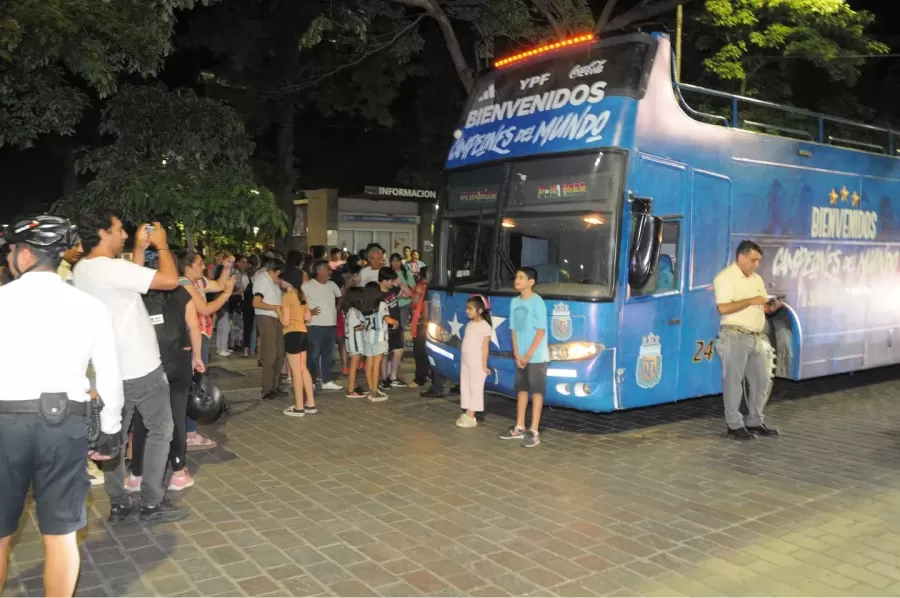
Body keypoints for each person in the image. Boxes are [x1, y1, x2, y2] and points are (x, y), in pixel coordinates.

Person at [0, 215, 124, 598]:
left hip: (5, 423)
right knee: (61, 536)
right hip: (64, 424)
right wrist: (111, 428)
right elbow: (109, 374)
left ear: (23, 255)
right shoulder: (89, 306)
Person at [74, 211, 187, 522]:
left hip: (110, 372)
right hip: (141, 368)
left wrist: (139, 249)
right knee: (161, 431)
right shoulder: (110, 268)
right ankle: (151, 502)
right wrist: (161, 247)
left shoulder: (83, 269)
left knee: (114, 437)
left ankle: (119, 502)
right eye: (119, 229)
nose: (124, 235)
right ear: (102, 232)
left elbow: (130, 281)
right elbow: (168, 280)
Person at [129, 261, 206, 493]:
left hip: (147, 364)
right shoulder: (182, 293)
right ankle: (178, 472)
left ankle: (136, 475)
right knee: (176, 415)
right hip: (178, 362)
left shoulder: (137, 295)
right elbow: (194, 327)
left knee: (143, 419)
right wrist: (197, 357)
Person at [713, 240, 782, 440]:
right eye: (753, 260)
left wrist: (771, 307)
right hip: (734, 335)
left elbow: (762, 307)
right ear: (741, 258)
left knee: (763, 379)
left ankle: (755, 421)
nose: (756, 265)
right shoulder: (725, 278)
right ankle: (734, 425)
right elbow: (723, 308)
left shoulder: (757, 280)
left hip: (757, 336)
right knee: (733, 382)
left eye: (758, 261)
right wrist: (752, 300)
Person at [177, 250, 233, 450]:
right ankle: (188, 433)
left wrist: (226, 268)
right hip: (192, 338)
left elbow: (217, 284)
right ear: (187, 266)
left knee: (195, 383)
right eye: (199, 263)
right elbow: (205, 309)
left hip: (200, 336)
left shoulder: (197, 282)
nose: (203, 266)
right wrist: (227, 293)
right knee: (194, 386)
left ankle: (187, 431)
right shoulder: (183, 284)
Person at [500, 267, 549, 448]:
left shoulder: (538, 302)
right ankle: (519, 426)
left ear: (531, 282)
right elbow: (513, 329)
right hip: (520, 355)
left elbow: (541, 331)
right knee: (521, 390)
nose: (517, 280)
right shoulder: (514, 302)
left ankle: (534, 431)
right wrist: (516, 352)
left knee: (536, 392)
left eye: (521, 277)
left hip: (536, 355)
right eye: (516, 277)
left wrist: (528, 354)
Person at [278, 267, 317, 417]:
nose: (280, 281)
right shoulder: (302, 295)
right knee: (303, 369)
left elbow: (285, 321)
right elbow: (308, 317)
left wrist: (278, 311)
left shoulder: (287, 297)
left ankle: (299, 407)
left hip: (292, 334)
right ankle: (310, 403)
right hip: (303, 333)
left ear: (288, 281)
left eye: (282, 279)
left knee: (295, 371)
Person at [302, 261, 343, 391]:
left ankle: (326, 380)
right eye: (327, 269)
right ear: (319, 271)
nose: (330, 272)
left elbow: (340, 295)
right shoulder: (307, 286)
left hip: (330, 324)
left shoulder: (332, 285)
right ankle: (311, 381)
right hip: (314, 325)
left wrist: (338, 307)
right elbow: (299, 302)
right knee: (313, 355)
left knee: (329, 354)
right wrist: (307, 312)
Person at [253, 257, 286, 400]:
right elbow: (256, 302)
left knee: (280, 353)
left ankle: (275, 386)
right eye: (281, 279)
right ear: (276, 272)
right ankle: (267, 389)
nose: (282, 282)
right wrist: (276, 308)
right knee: (270, 354)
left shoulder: (272, 281)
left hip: (276, 319)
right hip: (266, 318)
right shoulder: (262, 279)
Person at [458, 295, 492, 428]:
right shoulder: (469, 324)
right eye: (467, 308)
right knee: (465, 385)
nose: (467, 311)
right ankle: (467, 412)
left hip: (476, 362)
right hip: (466, 361)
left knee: (475, 388)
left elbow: (485, 348)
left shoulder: (485, 327)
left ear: (480, 310)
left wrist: (484, 365)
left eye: (470, 309)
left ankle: (471, 416)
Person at [378, 266, 409, 389]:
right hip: (384, 329)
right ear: (384, 280)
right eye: (391, 280)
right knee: (385, 354)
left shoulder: (394, 290)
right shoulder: (376, 293)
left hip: (396, 327)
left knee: (398, 351)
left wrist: (401, 284)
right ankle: (384, 378)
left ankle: (393, 377)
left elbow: (408, 294)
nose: (392, 283)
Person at [361, 282, 393, 402]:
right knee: (376, 364)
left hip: (368, 336)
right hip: (379, 337)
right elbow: (386, 318)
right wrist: (395, 322)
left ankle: (371, 388)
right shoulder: (381, 304)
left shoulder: (365, 304)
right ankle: (375, 391)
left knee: (369, 363)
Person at [342, 287, 367, 399]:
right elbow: (357, 327)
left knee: (355, 365)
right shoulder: (353, 311)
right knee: (354, 365)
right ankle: (351, 388)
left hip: (354, 341)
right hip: (355, 342)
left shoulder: (352, 310)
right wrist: (366, 324)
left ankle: (354, 386)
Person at [411, 267, 431, 388]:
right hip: (419, 322)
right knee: (419, 352)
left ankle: (422, 377)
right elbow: (414, 303)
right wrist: (418, 292)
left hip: (429, 324)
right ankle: (420, 377)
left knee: (423, 352)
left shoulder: (434, 288)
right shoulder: (420, 286)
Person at [241, 254, 260, 357]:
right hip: (258, 303)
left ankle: (246, 350)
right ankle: (254, 349)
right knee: (257, 327)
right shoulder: (259, 275)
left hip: (247, 303)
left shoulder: (245, 276)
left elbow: (241, 290)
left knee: (247, 327)